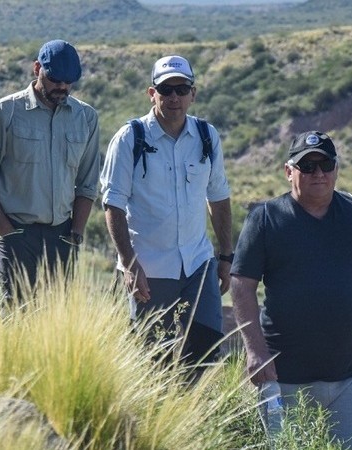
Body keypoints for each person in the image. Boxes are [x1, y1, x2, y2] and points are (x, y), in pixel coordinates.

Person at [230, 130, 352, 449]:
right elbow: (241, 285)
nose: (318, 173)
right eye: (307, 166)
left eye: (326, 164)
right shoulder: (265, 219)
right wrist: (255, 351)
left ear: (336, 169)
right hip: (285, 378)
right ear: (289, 171)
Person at [100, 55, 233, 373]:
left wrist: (226, 256)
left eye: (181, 88)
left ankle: (197, 421)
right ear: (152, 93)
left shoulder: (206, 136)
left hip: (198, 266)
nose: (174, 97)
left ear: (193, 93)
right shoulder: (130, 138)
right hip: (149, 269)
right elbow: (113, 204)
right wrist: (130, 265)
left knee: (205, 356)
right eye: (165, 89)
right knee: (152, 360)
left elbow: (218, 198)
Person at [0, 39, 100, 303]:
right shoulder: (5, 112)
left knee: (56, 317)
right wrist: (6, 231)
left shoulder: (86, 117)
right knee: (16, 311)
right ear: (37, 68)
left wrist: (76, 234)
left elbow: (87, 183)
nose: (62, 87)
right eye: (54, 79)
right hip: (15, 230)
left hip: (62, 235)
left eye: (69, 81)